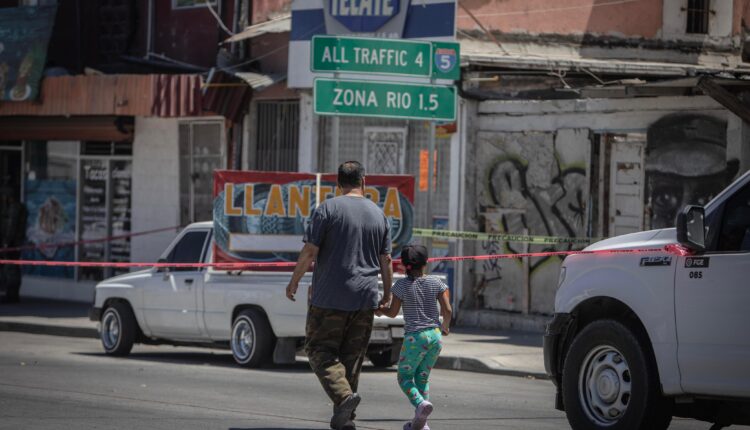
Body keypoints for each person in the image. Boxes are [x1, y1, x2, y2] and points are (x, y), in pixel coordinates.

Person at [286, 161, 393, 430]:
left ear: (338, 183)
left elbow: (310, 251)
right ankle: (345, 419)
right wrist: (387, 294)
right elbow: (387, 259)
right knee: (352, 359)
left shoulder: (327, 209)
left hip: (329, 298)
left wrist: (294, 281)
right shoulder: (379, 214)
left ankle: (345, 398)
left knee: (318, 349)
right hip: (365, 298)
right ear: (364, 182)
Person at [377, 244, 452, 430]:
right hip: (435, 337)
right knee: (422, 378)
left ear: (403, 265)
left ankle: (420, 404)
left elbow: (393, 313)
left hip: (415, 338)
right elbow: (448, 310)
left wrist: (380, 310)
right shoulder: (436, 282)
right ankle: (421, 423)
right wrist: (445, 327)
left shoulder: (400, 285)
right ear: (425, 263)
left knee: (404, 377)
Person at [0, 187, 27, 303]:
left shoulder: (14, 208)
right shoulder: (19, 207)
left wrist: (6, 242)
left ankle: (11, 294)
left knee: (11, 269)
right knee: (13, 268)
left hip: (12, 244)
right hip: (15, 243)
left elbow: (12, 226)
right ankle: (12, 294)